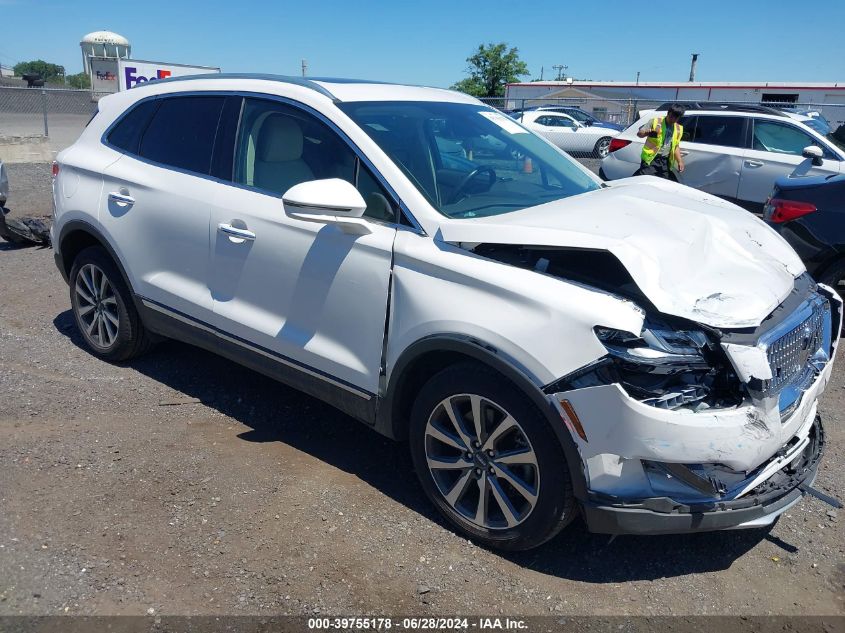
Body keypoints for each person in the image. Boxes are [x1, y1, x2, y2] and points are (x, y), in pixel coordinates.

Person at [634, 104, 685, 180]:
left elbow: (676, 146)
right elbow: (639, 134)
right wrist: (647, 133)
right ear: (668, 113)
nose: (673, 119)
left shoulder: (678, 128)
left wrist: (680, 161)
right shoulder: (655, 122)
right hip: (651, 159)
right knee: (645, 181)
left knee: (661, 182)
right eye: (671, 116)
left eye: (676, 118)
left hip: (665, 161)